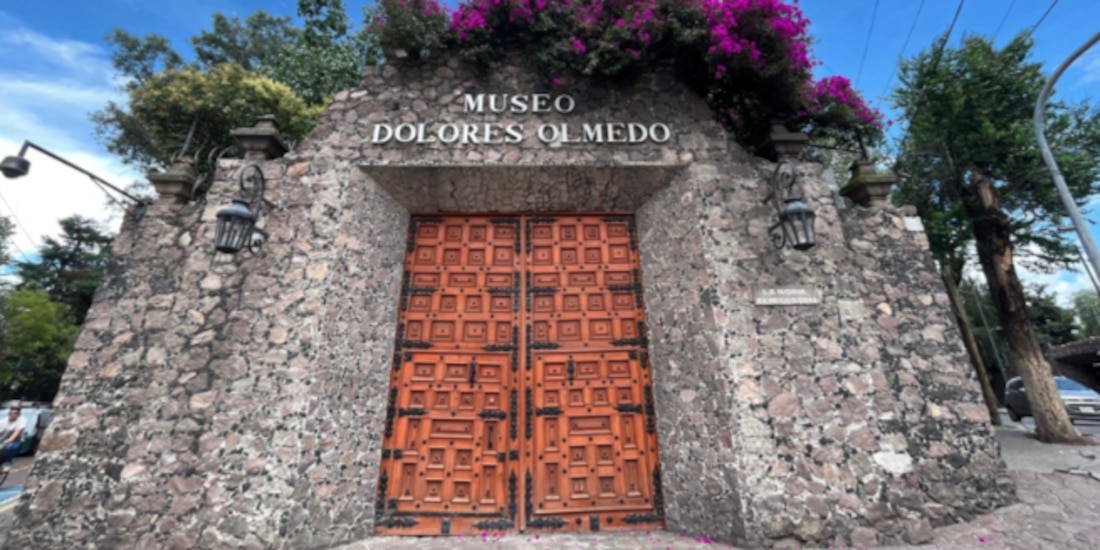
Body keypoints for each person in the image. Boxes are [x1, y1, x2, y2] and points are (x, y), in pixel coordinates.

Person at [0, 407, 26, 473]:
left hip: (15, 440)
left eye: (15, 413)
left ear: (18, 414)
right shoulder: (3, 421)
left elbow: (17, 431)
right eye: (11, 413)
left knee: (9, 448)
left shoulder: (22, 420)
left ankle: (6, 464)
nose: (12, 414)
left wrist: (10, 439)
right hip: (2, 438)